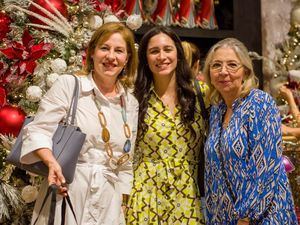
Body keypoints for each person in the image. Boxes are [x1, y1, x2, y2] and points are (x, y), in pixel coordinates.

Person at [20, 22, 139, 225]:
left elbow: (126, 163)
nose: (111, 56)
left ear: (127, 59)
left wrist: (123, 201)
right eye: (104, 48)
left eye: (119, 51)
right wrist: (51, 163)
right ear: (92, 52)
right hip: (67, 190)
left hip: (109, 202)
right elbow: (38, 129)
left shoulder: (130, 102)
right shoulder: (70, 85)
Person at [202, 37, 297, 224]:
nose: (223, 72)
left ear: (245, 71)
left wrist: (246, 217)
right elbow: (212, 172)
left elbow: (266, 168)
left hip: (263, 217)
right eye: (216, 65)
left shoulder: (259, 103)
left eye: (232, 65)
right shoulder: (217, 110)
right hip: (227, 218)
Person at [126, 26, 205, 224]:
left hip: (189, 196)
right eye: (154, 51)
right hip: (145, 197)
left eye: (167, 49)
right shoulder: (133, 97)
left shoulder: (201, 94)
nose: (161, 56)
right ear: (145, 58)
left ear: (178, 52)